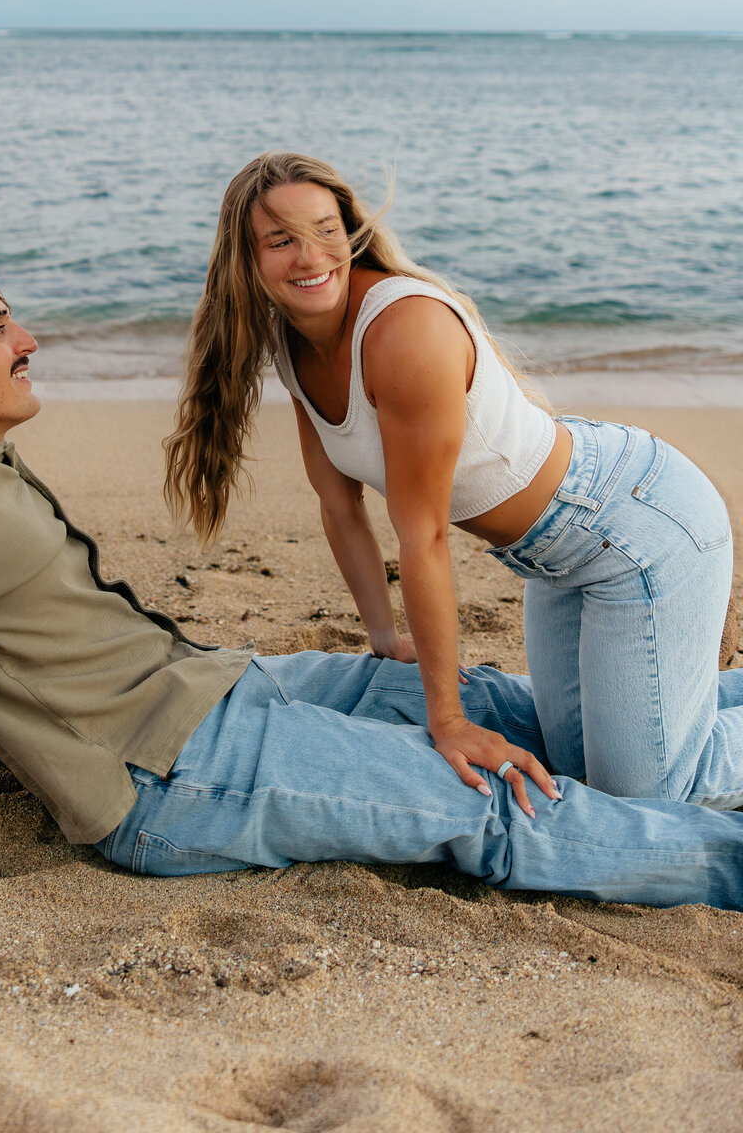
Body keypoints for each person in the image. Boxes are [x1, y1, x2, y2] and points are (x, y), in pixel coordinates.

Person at [0, 250, 743, 1032]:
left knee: (500, 712)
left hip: (212, 687)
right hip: (172, 774)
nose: (28, 338)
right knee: (495, 806)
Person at [165, 151, 742, 807]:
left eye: (326, 231)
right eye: (281, 241)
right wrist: (383, 635)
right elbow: (339, 506)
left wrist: (449, 721)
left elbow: (425, 537)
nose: (311, 256)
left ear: (350, 232)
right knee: (579, 766)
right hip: (554, 561)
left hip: (636, 528)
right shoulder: (295, 344)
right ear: (245, 259)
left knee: (648, 791)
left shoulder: (404, 332)